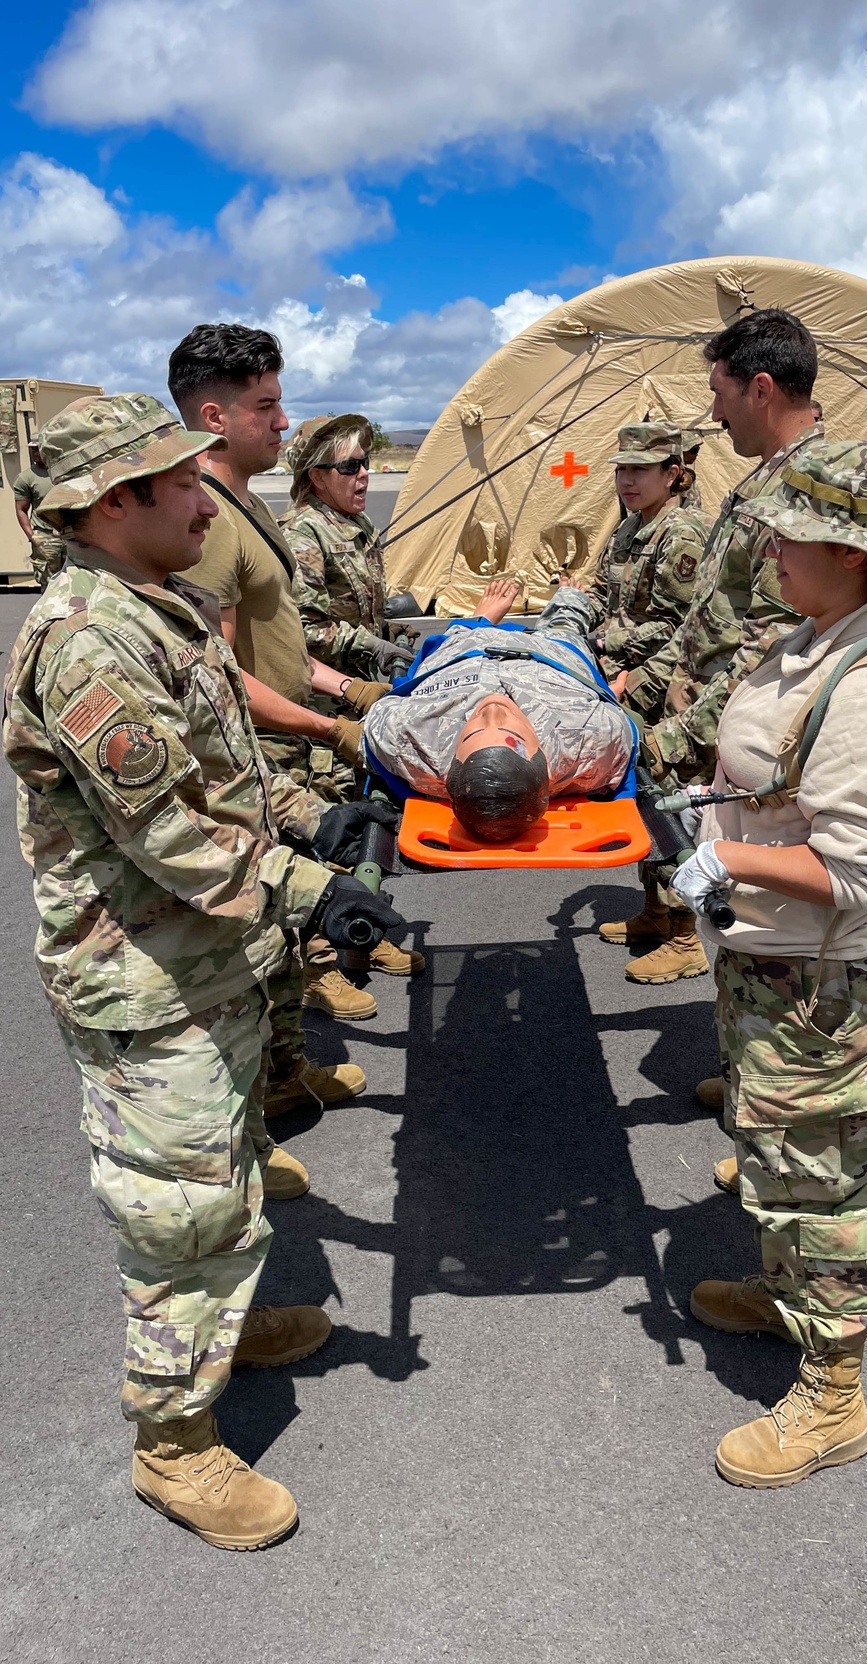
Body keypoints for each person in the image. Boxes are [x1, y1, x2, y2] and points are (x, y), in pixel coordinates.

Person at [2, 392, 402, 1548]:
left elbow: (220, 774)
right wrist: (308, 886)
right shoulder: (86, 639)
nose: (207, 494)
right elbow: (168, 834)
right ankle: (172, 1443)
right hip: (144, 972)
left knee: (222, 1170)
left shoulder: (160, 607)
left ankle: (216, 1336)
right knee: (174, 1209)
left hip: (204, 959)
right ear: (114, 502)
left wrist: (308, 823)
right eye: (182, 481)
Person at [669, 438, 867, 1488]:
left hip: (820, 983)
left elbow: (862, 874)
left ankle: (833, 1393)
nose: (768, 542)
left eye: (788, 527)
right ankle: (787, 1292)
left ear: (847, 547)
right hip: (775, 964)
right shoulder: (815, 638)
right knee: (782, 1154)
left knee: (822, 1183)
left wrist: (723, 854)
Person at [168, 323, 422, 1034]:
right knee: (273, 918)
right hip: (260, 755)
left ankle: (287, 1069)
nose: (283, 421)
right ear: (214, 417)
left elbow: (281, 643)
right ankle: (286, 1056)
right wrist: (327, 725)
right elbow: (213, 681)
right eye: (266, 406)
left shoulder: (248, 509)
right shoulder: (213, 522)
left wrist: (351, 692)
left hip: (292, 738)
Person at [600, 309, 824, 986]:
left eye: (719, 392)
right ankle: (750, 1058)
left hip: (750, 727)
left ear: (759, 390)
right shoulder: (763, 483)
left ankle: (775, 1072)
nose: (714, 413)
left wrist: (680, 733)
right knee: (696, 837)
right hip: (706, 708)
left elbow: (775, 644)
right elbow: (711, 619)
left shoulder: (805, 490)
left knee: (758, 885)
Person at [359, 577, 636, 838]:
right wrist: (591, 697)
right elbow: (617, 725)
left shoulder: (408, 738)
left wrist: (476, 628)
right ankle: (567, 601)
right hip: (551, 658)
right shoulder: (588, 737)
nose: (491, 710)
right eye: (509, 731)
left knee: (459, 636)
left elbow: (378, 718)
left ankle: (480, 621)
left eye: (469, 735)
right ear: (542, 758)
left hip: (466, 652)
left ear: (452, 762)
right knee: (568, 617)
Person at [281, 413, 407, 680]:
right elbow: (305, 633)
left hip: (358, 685)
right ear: (318, 477)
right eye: (350, 466)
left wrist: (383, 630)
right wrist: (371, 645)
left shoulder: (358, 523)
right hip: (325, 701)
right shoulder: (303, 533)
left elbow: (348, 610)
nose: (363, 474)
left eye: (364, 463)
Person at [587, 423, 709, 676]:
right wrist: (568, 620)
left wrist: (600, 643)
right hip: (608, 657)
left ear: (670, 474)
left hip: (646, 671)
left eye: (640, 470)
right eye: (621, 470)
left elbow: (674, 628)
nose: (627, 481)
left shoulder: (680, 534)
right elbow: (601, 592)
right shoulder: (629, 526)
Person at [13, 442, 65, 586]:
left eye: (37, 448)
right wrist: (32, 536)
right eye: (32, 449)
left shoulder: (64, 472)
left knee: (76, 579)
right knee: (49, 583)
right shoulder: (25, 478)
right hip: (45, 536)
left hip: (71, 534)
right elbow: (21, 509)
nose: (34, 452)